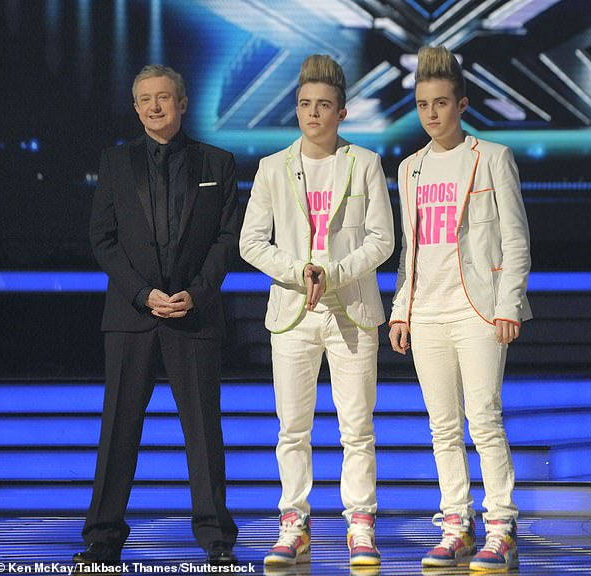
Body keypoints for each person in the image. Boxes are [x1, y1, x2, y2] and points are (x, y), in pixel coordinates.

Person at [73, 65, 239, 566]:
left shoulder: (218, 161)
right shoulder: (115, 161)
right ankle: (102, 541)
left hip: (195, 313)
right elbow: (102, 239)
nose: (154, 107)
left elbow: (227, 239)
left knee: (204, 432)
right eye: (144, 99)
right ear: (136, 105)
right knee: (118, 429)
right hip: (130, 315)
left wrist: (197, 292)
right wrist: (143, 293)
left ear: (183, 104)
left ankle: (216, 542)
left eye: (164, 97)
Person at [240, 54, 394, 568]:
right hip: (292, 310)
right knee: (292, 426)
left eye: (323, 105)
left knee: (357, 426)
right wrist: (298, 269)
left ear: (341, 112)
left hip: (350, 308)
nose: (313, 114)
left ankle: (360, 523)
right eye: (305, 104)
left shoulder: (365, 163)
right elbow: (251, 242)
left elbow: (382, 239)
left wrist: (336, 273)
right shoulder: (272, 168)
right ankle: (294, 521)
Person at [389, 46, 531, 572]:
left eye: (441, 102)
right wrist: (401, 308)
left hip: (478, 309)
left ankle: (502, 526)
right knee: (441, 425)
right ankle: (456, 523)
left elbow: (515, 239)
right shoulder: (410, 168)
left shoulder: (492, 157)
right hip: (426, 310)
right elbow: (411, 246)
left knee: (484, 419)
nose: (432, 113)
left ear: (462, 104)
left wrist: (508, 303)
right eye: (424, 103)